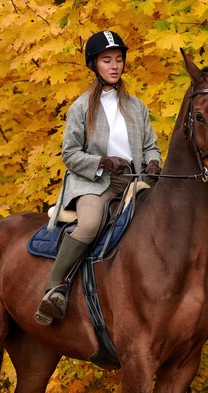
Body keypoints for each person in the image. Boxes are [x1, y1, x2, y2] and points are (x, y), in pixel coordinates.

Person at [35, 30, 162, 326]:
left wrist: (154, 161)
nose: (114, 66)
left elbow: (150, 145)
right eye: (107, 60)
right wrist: (102, 162)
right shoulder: (81, 107)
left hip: (134, 181)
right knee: (91, 223)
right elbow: (69, 154)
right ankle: (55, 288)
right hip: (95, 183)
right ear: (95, 65)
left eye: (118, 60)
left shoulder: (136, 107)